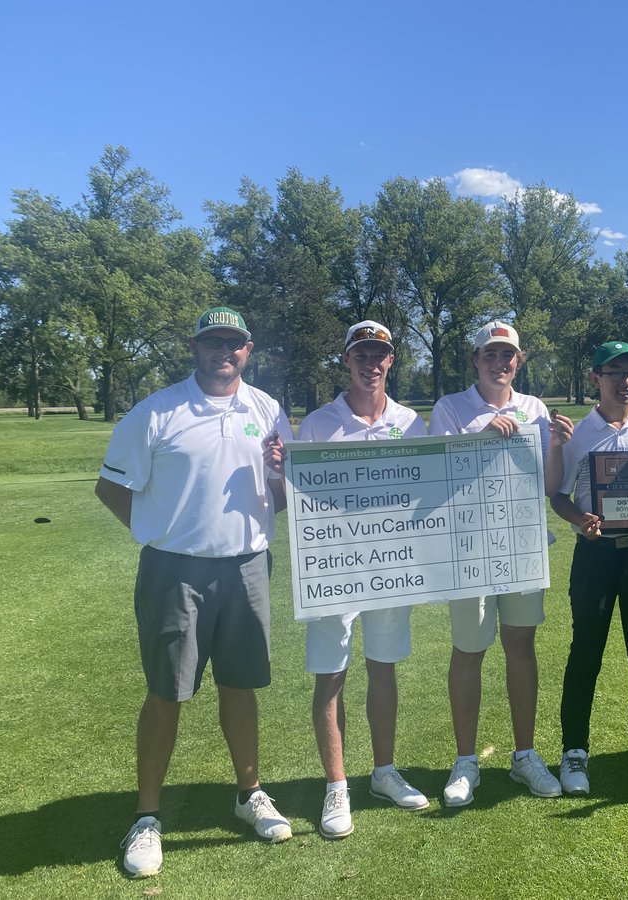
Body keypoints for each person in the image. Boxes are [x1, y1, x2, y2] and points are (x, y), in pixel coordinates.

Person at [96, 306, 294, 879]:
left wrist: (280, 477)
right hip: (174, 571)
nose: (222, 352)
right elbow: (111, 486)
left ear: (248, 349)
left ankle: (248, 792)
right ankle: (147, 816)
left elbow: (279, 496)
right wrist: (157, 531)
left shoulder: (269, 410)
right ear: (196, 347)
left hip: (248, 565)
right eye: (213, 343)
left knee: (241, 685)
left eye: (233, 343)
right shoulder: (157, 410)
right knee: (167, 692)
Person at [280, 320, 431, 838]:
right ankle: (336, 785)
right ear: (347, 360)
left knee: (384, 668)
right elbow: (304, 502)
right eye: (362, 354)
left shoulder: (412, 423)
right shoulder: (320, 424)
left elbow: (425, 491)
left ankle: (384, 772)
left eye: (380, 354)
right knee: (332, 674)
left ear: (391, 361)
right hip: (335, 566)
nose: (372, 363)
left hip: (392, 566)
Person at [429, 321, 572, 806]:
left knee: (521, 646)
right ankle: (466, 759)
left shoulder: (534, 408)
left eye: (508, 355)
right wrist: (481, 436)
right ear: (476, 360)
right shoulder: (450, 408)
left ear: (520, 361)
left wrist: (555, 445)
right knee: (469, 651)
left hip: (522, 545)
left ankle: (525, 755)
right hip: (468, 550)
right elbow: (438, 479)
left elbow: (550, 486)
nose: (500, 363)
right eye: (491, 354)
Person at [549, 340, 628, 794]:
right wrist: (578, 519)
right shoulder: (577, 432)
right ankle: (574, 752)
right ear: (596, 378)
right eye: (615, 371)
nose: (626, 380)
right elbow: (559, 496)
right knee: (586, 651)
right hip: (595, 553)